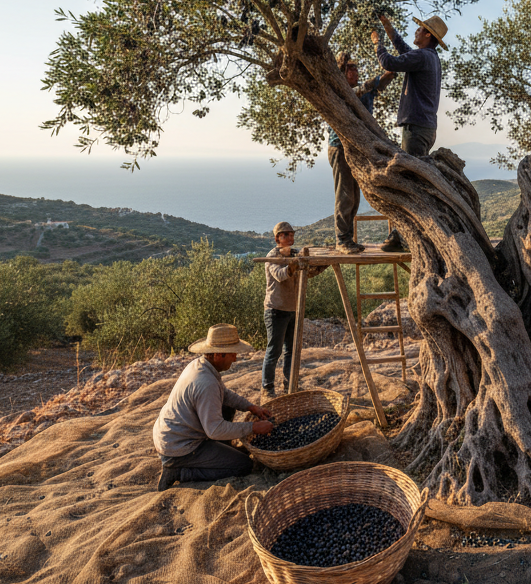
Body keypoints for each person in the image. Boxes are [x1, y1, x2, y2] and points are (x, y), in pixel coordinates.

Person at [152, 323, 274, 491]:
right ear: (218, 355)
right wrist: (253, 427)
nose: (235, 359)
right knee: (244, 465)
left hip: (171, 434)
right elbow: (215, 430)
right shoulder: (206, 383)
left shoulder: (200, 365)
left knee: (228, 407)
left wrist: (251, 407)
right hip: (179, 448)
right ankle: (180, 472)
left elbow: (224, 394)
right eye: (232, 354)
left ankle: (222, 451)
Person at [371, 12, 447, 252]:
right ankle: (404, 234)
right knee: (413, 179)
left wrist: (378, 43)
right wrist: (388, 27)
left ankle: (402, 236)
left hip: (415, 128)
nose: (416, 31)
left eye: (420, 29)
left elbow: (389, 63)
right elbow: (404, 49)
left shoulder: (423, 56)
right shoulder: (429, 57)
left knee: (409, 183)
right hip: (425, 127)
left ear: (428, 35)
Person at [328, 51, 393, 254]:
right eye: (350, 68)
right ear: (341, 72)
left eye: (356, 68)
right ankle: (342, 240)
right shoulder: (337, 92)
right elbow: (355, 93)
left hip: (358, 149)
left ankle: (348, 239)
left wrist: (394, 67)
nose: (355, 71)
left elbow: (382, 81)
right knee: (345, 195)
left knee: (355, 196)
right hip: (340, 147)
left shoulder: (365, 91)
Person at [262, 221, 325, 397]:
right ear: (277, 238)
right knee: (274, 351)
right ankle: (267, 388)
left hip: (293, 309)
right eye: (286, 235)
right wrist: (293, 264)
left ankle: (290, 386)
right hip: (276, 310)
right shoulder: (272, 256)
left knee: (291, 350)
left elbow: (308, 273)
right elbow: (280, 275)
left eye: (292, 234)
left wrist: (322, 265)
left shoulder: (295, 254)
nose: (290, 237)